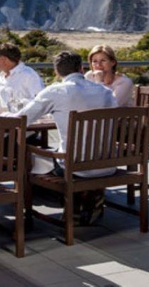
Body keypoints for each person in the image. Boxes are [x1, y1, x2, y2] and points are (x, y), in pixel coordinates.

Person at [15, 51, 117, 225]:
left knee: (28, 158)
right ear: (81, 68)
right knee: (64, 152)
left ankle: (45, 209)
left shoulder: (56, 91)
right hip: (108, 163)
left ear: (56, 72)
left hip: (75, 167)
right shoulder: (105, 91)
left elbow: (22, 118)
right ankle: (86, 199)